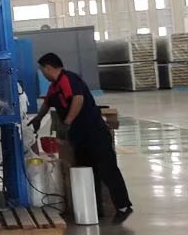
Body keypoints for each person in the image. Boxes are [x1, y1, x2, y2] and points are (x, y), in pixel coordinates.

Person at [31, 52, 132, 224]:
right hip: (79, 137)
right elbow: (48, 102)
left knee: (107, 168)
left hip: (94, 132)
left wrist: (68, 121)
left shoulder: (68, 79)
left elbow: (78, 99)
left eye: (42, 70)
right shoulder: (54, 86)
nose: (42, 73)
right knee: (87, 171)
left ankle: (123, 206)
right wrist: (38, 118)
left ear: (48, 68)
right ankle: (94, 209)